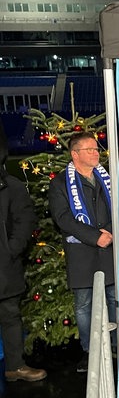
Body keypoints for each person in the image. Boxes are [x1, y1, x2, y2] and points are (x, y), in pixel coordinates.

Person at [49, 132, 119, 372]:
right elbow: (63, 218)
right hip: (82, 252)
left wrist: (110, 232)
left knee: (114, 298)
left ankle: (116, 347)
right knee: (84, 304)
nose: (96, 153)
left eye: (96, 149)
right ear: (75, 154)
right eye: (90, 149)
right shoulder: (61, 183)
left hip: (110, 247)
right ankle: (89, 351)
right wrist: (95, 237)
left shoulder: (108, 177)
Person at [0, 136, 46, 382]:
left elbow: (25, 221)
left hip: (4, 267)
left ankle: (15, 366)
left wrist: (11, 249)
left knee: (10, 316)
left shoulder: (12, 186)